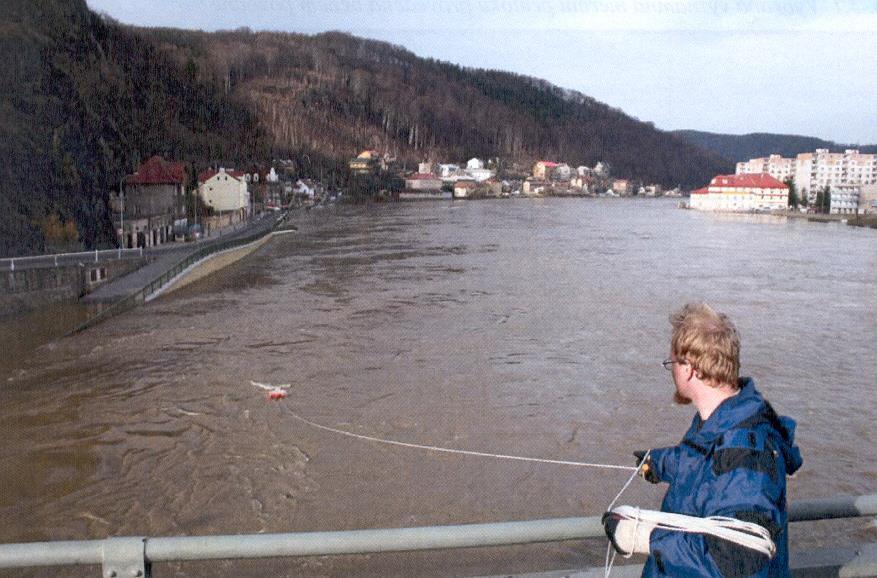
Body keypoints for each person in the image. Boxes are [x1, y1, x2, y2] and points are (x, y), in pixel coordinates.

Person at [603, 303, 803, 577]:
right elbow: (707, 465)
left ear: (689, 368)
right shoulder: (726, 422)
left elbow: (739, 558)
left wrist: (640, 537)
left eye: (671, 363)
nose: (671, 371)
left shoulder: (747, 449)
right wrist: (660, 463)